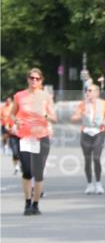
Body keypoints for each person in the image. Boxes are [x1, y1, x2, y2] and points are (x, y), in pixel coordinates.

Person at [9, 68, 57, 215]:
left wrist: (45, 115)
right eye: (31, 78)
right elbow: (12, 113)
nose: (34, 81)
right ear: (28, 79)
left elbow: (54, 118)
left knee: (38, 173)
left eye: (37, 78)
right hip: (25, 137)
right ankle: (27, 203)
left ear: (41, 80)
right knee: (27, 171)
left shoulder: (46, 97)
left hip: (42, 137)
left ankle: (35, 205)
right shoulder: (19, 96)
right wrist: (16, 120)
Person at [72, 84, 105, 194]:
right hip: (86, 133)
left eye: (90, 90)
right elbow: (74, 118)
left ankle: (98, 184)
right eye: (87, 91)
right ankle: (89, 184)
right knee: (87, 159)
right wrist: (80, 115)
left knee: (97, 158)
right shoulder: (82, 105)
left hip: (99, 132)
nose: (88, 92)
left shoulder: (103, 103)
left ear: (96, 93)